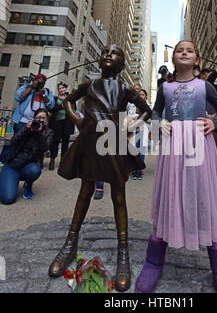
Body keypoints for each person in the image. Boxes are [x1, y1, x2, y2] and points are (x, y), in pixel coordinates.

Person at [135, 40, 217, 294]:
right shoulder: (165, 88)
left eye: (189, 50)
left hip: (200, 145)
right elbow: (155, 113)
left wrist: (215, 124)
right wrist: (160, 125)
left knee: (205, 196)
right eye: (180, 50)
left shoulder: (205, 86)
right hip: (172, 147)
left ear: (196, 59)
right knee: (169, 196)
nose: (184, 53)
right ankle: (153, 261)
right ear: (174, 59)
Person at [48, 44, 152, 292]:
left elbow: (146, 111)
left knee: (118, 195)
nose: (107, 54)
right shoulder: (88, 85)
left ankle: (123, 250)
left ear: (121, 64)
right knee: (85, 190)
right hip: (89, 141)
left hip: (113, 143)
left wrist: (130, 127)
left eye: (115, 53)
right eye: (105, 51)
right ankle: (70, 241)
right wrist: (78, 120)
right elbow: (68, 101)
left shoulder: (124, 88)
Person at [0, 108, 53, 204]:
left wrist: (38, 133)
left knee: (35, 170)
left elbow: (45, 148)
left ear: (46, 119)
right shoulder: (26, 127)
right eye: (38, 117)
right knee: (7, 199)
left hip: (29, 166)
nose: (41, 120)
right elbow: (13, 141)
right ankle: (8, 178)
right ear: (34, 118)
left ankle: (28, 184)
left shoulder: (48, 132)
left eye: (43, 118)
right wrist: (26, 129)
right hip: (13, 165)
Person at [48, 83, 76, 170]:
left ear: (65, 89)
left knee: (65, 143)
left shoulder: (70, 98)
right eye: (59, 88)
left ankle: (63, 162)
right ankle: (52, 160)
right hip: (57, 123)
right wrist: (61, 106)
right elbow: (51, 109)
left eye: (63, 88)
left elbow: (74, 108)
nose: (61, 90)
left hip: (67, 123)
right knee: (55, 142)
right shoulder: (55, 98)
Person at [132, 89, 151, 180]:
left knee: (141, 151)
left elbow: (151, 120)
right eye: (139, 94)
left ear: (145, 96)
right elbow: (129, 116)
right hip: (133, 131)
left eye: (143, 94)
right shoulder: (132, 105)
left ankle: (139, 171)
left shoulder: (149, 106)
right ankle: (134, 170)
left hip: (143, 130)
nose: (141, 96)